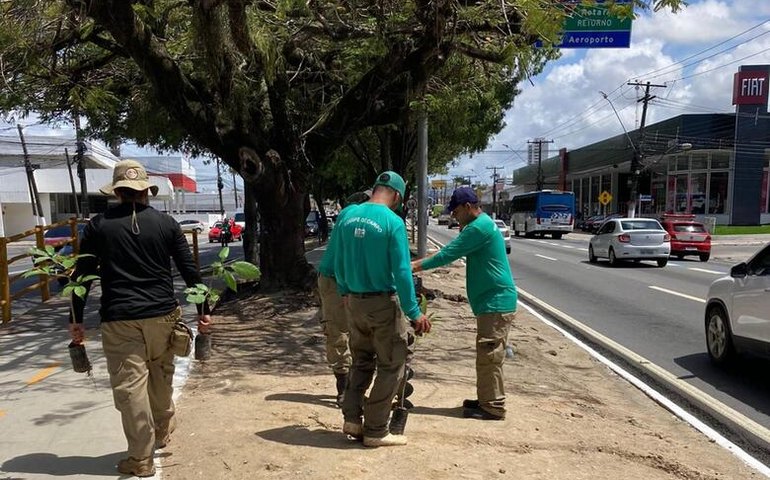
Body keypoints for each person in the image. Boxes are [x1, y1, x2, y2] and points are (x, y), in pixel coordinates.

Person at [68, 160, 211, 478]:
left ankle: (140, 459)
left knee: (130, 389)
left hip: (120, 321)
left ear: (117, 191)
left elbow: (83, 276)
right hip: (163, 317)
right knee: (160, 377)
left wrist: (76, 319)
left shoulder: (98, 226)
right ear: (146, 190)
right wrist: (204, 312)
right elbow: (190, 271)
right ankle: (161, 429)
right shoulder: (167, 224)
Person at [334, 172, 431, 447]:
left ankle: (352, 419)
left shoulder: (347, 216)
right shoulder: (393, 222)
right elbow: (401, 272)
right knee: (392, 365)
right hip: (382, 303)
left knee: (361, 360)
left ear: (375, 189)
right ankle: (376, 429)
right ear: (397, 196)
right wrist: (414, 312)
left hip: (353, 301)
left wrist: (344, 292)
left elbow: (338, 260)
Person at [411, 186, 517, 421]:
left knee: (490, 354)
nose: (454, 216)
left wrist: (414, 266)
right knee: (486, 352)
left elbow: (446, 255)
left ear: (468, 207)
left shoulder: (478, 228)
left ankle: (493, 406)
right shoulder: (482, 225)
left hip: (496, 301)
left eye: (456, 211)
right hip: (491, 302)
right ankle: (486, 398)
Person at [316, 190, 371, 408]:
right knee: (338, 332)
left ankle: (354, 385)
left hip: (353, 280)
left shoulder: (370, 218)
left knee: (357, 332)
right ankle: (343, 387)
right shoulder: (352, 214)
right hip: (334, 279)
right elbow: (344, 257)